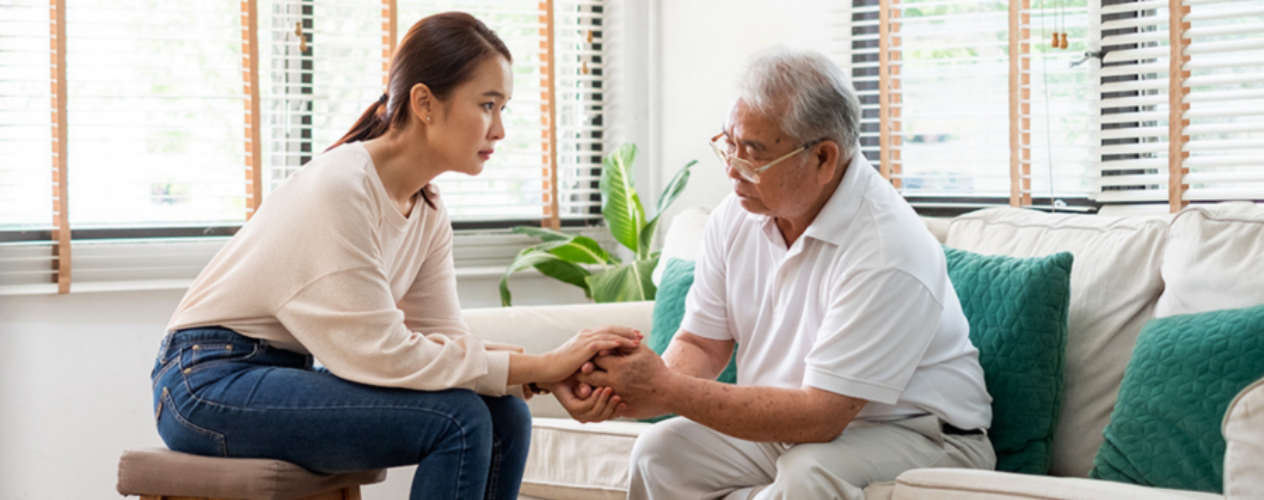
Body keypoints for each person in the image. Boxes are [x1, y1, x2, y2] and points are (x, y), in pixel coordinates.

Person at [150, 12, 630, 500]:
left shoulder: (427, 208)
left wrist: (544, 372)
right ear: (424, 102)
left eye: (503, 107)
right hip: (204, 383)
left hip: (283, 372)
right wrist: (541, 365)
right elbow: (382, 353)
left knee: (504, 413)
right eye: (488, 105)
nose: (500, 129)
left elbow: (440, 340)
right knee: (457, 419)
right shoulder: (343, 186)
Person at [576, 47, 996, 500]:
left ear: (823, 159)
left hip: (923, 434)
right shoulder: (735, 216)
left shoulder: (887, 248)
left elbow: (820, 416)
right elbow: (702, 343)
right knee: (660, 452)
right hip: (789, 419)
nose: (732, 168)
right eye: (728, 144)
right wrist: (633, 389)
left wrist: (665, 389)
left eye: (752, 153)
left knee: (805, 472)